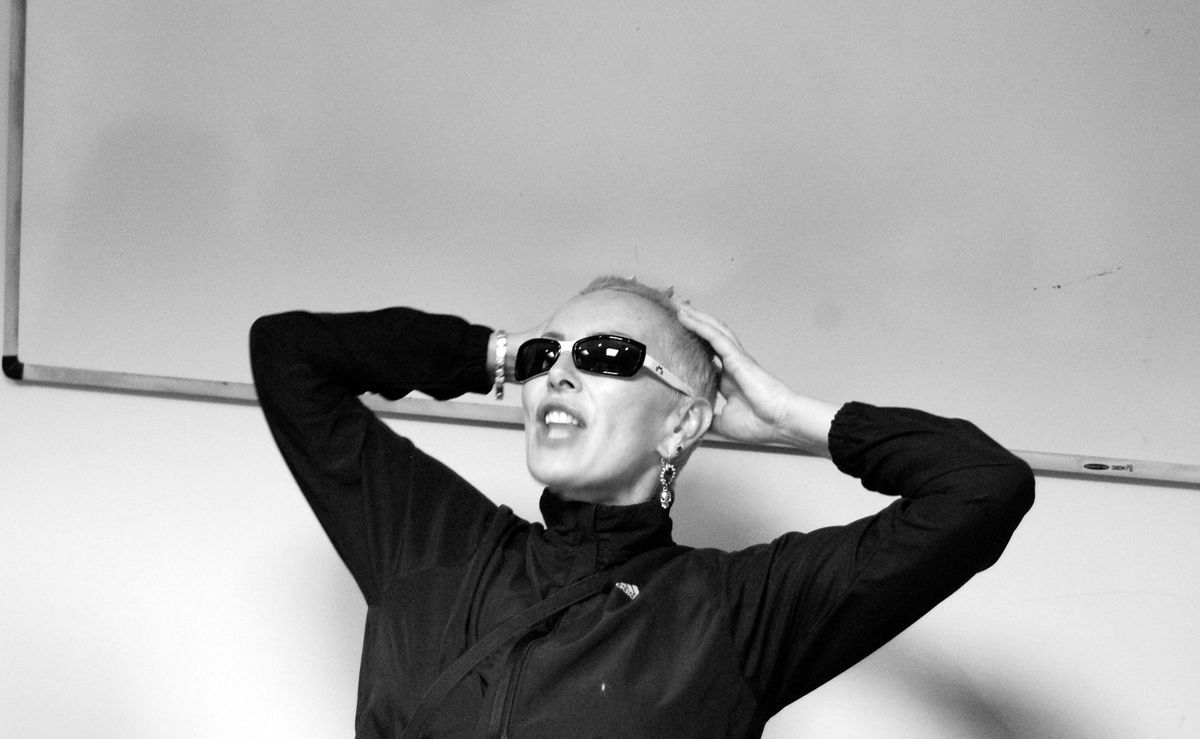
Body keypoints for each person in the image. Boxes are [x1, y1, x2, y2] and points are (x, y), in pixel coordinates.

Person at [249, 275, 1034, 738]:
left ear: (683, 423)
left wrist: (789, 415)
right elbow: (289, 354)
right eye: (546, 355)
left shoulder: (734, 611)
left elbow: (982, 486)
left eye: (606, 356)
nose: (558, 374)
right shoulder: (433, 545)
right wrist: (496, 353)